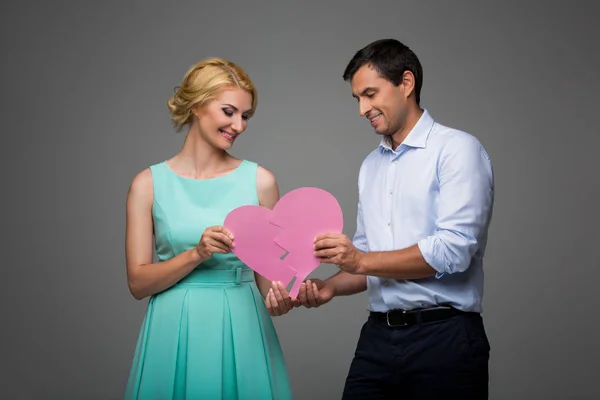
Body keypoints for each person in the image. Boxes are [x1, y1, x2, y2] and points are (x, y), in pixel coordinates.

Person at [297, 39, 495, 399]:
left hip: (445, 339)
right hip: (378, 339)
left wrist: (359, 260)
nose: (362, 109)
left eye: (370, 94)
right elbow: (368, 255)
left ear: (406, 83)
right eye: (357, 98)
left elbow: (453, 251)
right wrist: (331, 287)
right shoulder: (370, 165)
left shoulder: (457, 150)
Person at [123, 57, 295, 400]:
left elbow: (269, 281)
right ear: (197, 104)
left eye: (245, 116)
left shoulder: (261, 181)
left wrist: (282, 297)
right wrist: (197, 254)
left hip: (241, 324)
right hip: (173, 328)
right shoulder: (148, 184)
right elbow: (138, 283)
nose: (240, 125)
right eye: (229, 111)